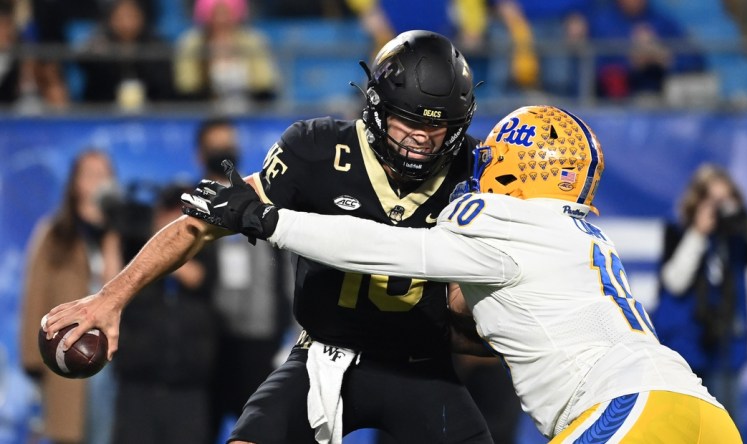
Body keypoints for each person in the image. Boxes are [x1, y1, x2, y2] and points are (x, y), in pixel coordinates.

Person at [182, 105, 743, 442]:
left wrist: (266, 218)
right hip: (702, 412)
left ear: (511, 165)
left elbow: (382, 247)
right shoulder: (583, 234)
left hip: (628, 411)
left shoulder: (503, 217)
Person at [44, 30, 493, 444]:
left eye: (436, 129)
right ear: (376, 107)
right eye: (405, 122)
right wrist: (111, 297)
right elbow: (201, 224)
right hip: (325, 357)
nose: (419, 140)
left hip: (423, 365)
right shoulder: (317, 150)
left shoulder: (478, 171)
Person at [651, 164, 747, 422]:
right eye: (714, 201)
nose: (720, 209)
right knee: (684, 426)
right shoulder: (678, 230)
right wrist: (698, 234)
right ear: (697, 201)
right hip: (685, 345)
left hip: (726, 348)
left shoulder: (737, 238)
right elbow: (674, 282)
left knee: (725, 425)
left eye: (726, 200)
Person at [193, 118, 296, 440]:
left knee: (257, 433)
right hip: (207, 346)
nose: (225, 152)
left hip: (260, 343)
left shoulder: (260, 202)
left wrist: (292, 335)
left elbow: (288, 272)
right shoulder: (185, 211)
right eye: (216, 146)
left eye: (229, 144)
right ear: (200, 153)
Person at [20, 149, 122, 444]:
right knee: (69, 435)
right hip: (67, 354)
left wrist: (113, 235)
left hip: (113, 359)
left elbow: (121, 287)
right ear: (75, 183)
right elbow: (34, 297)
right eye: (91, 174)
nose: (99, 182)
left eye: (105, 175)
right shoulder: (54, 234)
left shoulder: (119, 234)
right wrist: (33, 363)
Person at [111, 183, 219, 444]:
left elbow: (197, 278)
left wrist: (166, 243)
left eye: (181, 212)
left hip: (187, 391)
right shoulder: (133, 251)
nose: (173, 219)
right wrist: (116, 236)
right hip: (137, 388)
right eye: (168, 210)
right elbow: (111, 283)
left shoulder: (205, 249)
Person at [174, 0, 280, 112]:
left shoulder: (252, 41)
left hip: (248, 112)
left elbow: (265, 83)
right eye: (216, 14)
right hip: (205, 113)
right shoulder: (192, 43)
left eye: (226, 13)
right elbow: (187, 86)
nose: (221, 19)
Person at [78, 0, 174, 107]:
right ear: (110, 19)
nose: (126, 23)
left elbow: (162, 85)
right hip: (104, 109)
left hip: (151, 109)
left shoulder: (155, 44)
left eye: (132, 16)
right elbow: (83, 62)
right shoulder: (99, 42)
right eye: (120, 17)